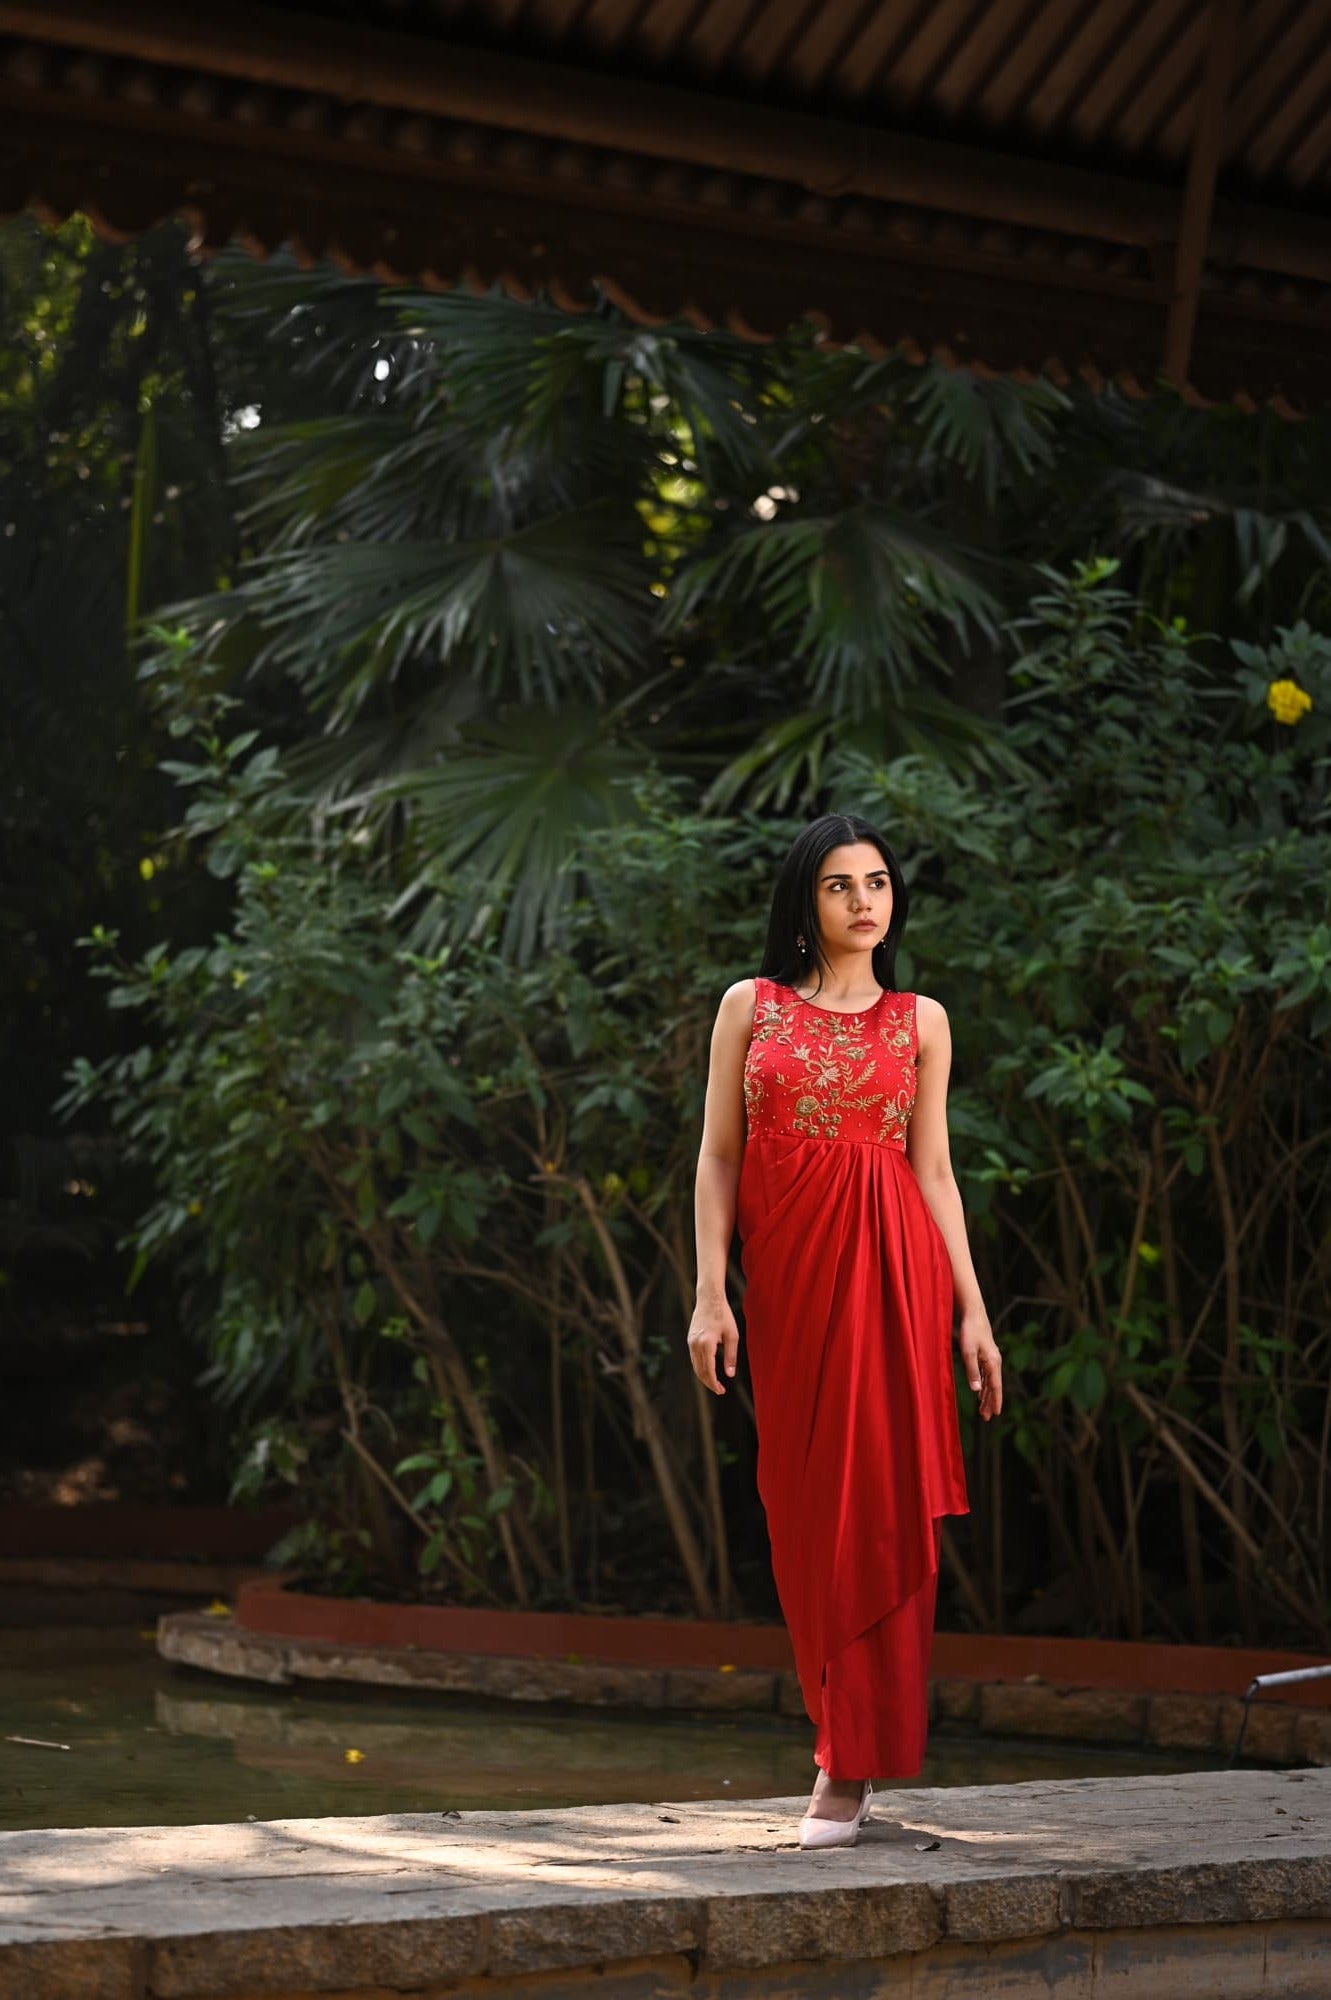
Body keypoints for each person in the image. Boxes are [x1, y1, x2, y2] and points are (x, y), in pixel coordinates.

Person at [687, 812, 1002, 1850]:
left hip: (894, 1276)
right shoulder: (752, 1006)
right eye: (838, 884)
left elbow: (934, 1171)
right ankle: (836, 1729)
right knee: (799, 1504)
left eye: (876, 882)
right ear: (803, 900)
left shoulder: (921, 1018)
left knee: (873, 1499)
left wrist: (971, 1307)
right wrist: (708, 1292)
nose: (864, 900)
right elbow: (719, 1156)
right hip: (786, 1283)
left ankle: (847, 1758)